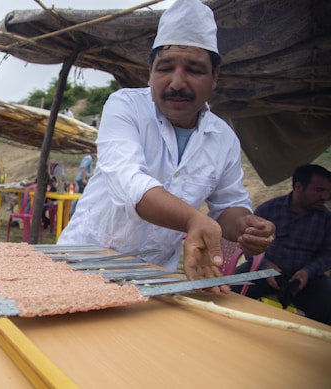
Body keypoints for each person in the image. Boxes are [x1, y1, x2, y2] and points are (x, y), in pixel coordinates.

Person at [58, 0, 275, 293]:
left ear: (215, 76)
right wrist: (192, 219)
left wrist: (246, 227)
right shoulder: (125, 107)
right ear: (150, 72)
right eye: (165, 68)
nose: (177, 82)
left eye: (195, 70)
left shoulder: (223, 138)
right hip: (82, 265)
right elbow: (129, 182)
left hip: (154, 279)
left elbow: (228, 206)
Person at [233, 165, 331, 324]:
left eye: (327, 191)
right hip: (264, 272)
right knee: (229, 288)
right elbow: (249, 245)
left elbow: (327, 255)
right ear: (299, 186)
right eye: (319, 190)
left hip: (307, 278)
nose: (324, 196)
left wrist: (307, 272)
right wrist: (266, 266)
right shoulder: (269, 210)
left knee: (327, 303)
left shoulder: (326, 219)